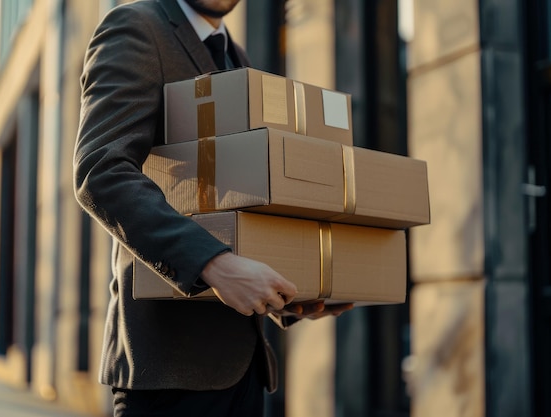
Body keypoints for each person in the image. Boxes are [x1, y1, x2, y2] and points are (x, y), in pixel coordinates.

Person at [73, 0, 353, 416]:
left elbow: (234, 200)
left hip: (243, 371)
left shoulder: (233, 55)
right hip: (170, 373)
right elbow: (101, 171)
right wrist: (214, 265)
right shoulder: (136, 26)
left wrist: (285, 296)